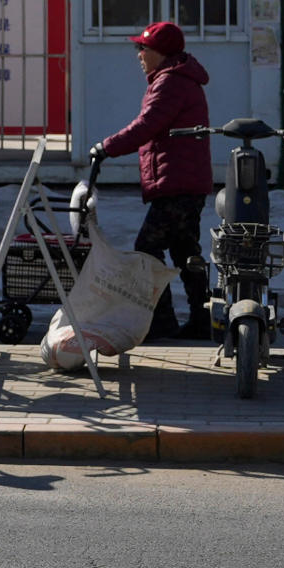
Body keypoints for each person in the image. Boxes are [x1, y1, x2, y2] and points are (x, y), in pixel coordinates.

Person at [89, 18, 219, 343]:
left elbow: (146, 126)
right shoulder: (174, 78)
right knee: (185, 251)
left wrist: (106, 147)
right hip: (183, 181)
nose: (139, 54)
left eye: (143, 48)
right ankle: (202, 319)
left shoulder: (171, 82)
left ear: (160, 52)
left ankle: (163, 322)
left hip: (177, 183)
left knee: (147, 249)